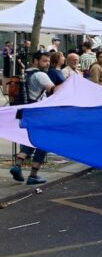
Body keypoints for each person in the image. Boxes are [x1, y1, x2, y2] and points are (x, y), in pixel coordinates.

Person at [9, 52, 58, 186]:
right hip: (39, 113)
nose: (47, 63)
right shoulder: (41, 75)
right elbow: (53, 90)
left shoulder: (24, 74)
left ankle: (18, 165)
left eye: (48, 61)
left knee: (32, 140)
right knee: (43, 143)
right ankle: (33, 175)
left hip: (27, 112)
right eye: (44, 61)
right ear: (36, 60)